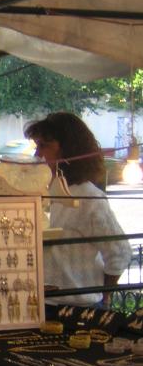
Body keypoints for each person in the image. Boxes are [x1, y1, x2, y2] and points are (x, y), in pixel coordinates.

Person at [24, 112, 131, 308]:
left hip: (78, 307)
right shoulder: (41, 194)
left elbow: (119, 253)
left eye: (43, 146)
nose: (37, 155)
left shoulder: (89, 198)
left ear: (67, 149)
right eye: (37, 146)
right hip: (40, 305)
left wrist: (101, 296)